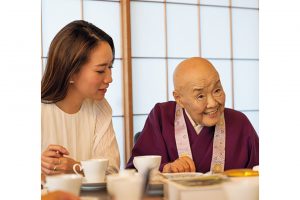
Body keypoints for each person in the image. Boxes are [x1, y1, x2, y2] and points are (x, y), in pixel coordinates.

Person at [126, 57, 259, 173]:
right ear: (179, 99)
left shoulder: (239, 122)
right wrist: (166, 168)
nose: (213, 103)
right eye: (200, 96)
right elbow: (136, 172)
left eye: (217, 90)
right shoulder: (161, 116)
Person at [41, 20, 120, 177]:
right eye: (100, 71)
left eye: (110, 67)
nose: (110, 79)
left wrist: (77, 167)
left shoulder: (100, 107)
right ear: (71, 72)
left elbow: (112, 171)